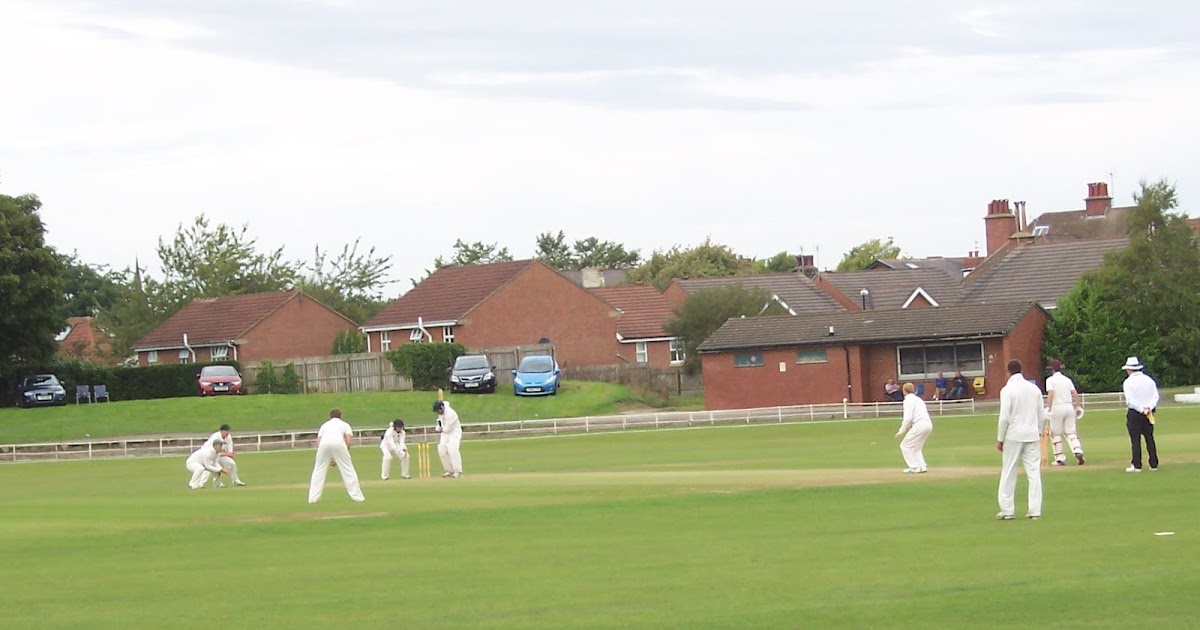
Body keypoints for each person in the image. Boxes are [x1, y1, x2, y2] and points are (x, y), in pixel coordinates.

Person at [996, 359, 1046, 520]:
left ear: (1008, 372)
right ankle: (1035, 510)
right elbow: (1042, 415)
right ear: (1021, 370)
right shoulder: (1034, 389)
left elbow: (1004, 417)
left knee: (1009, 471)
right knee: (1034, 473)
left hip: (1014, 435)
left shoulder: (1007, 390)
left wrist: (1000, 438)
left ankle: (1007, 510)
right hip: (1032, 434)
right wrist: (1038, 431)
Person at [308, 408, 365, 503]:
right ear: (340, 416)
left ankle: (313, 498)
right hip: (339, 444)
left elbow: (319, 441)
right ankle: (357, 497)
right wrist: (343, 455)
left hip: (323, 445)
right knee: (348, 470)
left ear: (330, 416)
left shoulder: (324, 425)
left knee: (318, 470)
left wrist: (328, 458)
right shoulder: (345, 424)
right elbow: (348, 440)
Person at [1121, 356, 1160, 472]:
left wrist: (1141, 409)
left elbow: (1130, 401)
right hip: (1149, 412)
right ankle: (1153, 464)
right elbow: (1155, 396)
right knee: (1149, 437)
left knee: (1135, 439)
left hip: (1135, 413)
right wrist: (1149, 407)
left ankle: (1137, 465)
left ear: (1129, 370)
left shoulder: (1128, 382)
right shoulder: (1149, 380)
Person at [1044, 359, 1085, 466]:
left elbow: (1051, 393)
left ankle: (1059, 458)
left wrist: (1048, 407)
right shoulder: (1067, 380)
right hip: (1069, 407)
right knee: (1071, 432)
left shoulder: (1050, 380)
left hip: (1057, 408)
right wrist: (1078, 406)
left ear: (1052, 369)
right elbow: (1074, 393)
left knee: (1056, 433)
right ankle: (1078, 451)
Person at [894, 382, 933, 473]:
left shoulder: (908, 400)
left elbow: (908, 417)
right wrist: (910, 424)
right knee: (916, 447)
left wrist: (901, 430)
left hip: (920, 424)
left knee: (905, 446)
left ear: (904, 391)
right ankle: (922, 466)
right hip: (927, 424)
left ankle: (914, 467)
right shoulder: (918, 399)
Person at [433, 389, 463, 478]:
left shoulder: (451, 414)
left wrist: (439, 429)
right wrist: (438, 426)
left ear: (442, 408)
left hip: (454, 432)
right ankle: (449, 470)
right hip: (445, 433)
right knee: (441, 449)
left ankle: (457, 471)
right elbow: (440, 420)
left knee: (452, 449)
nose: (437, 413)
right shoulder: (441, 410)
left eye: (438, 411)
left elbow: (447, 429)